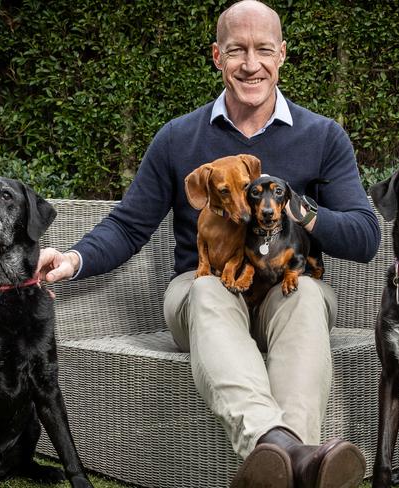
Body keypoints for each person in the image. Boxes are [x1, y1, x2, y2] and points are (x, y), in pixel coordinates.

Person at [37, 1, 380, 487]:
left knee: (303, 293)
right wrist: (72, 258)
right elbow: (129, 225)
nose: (250, 63)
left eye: (263, 49)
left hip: (283, 290)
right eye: (237, 49)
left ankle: (285, 464)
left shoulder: (323, 136)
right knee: (207, 290)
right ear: (217, 56)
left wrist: (298, 210)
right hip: (205, 295)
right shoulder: (179, 138)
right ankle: (284, 449)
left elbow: (365, 236)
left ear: (282, 55)